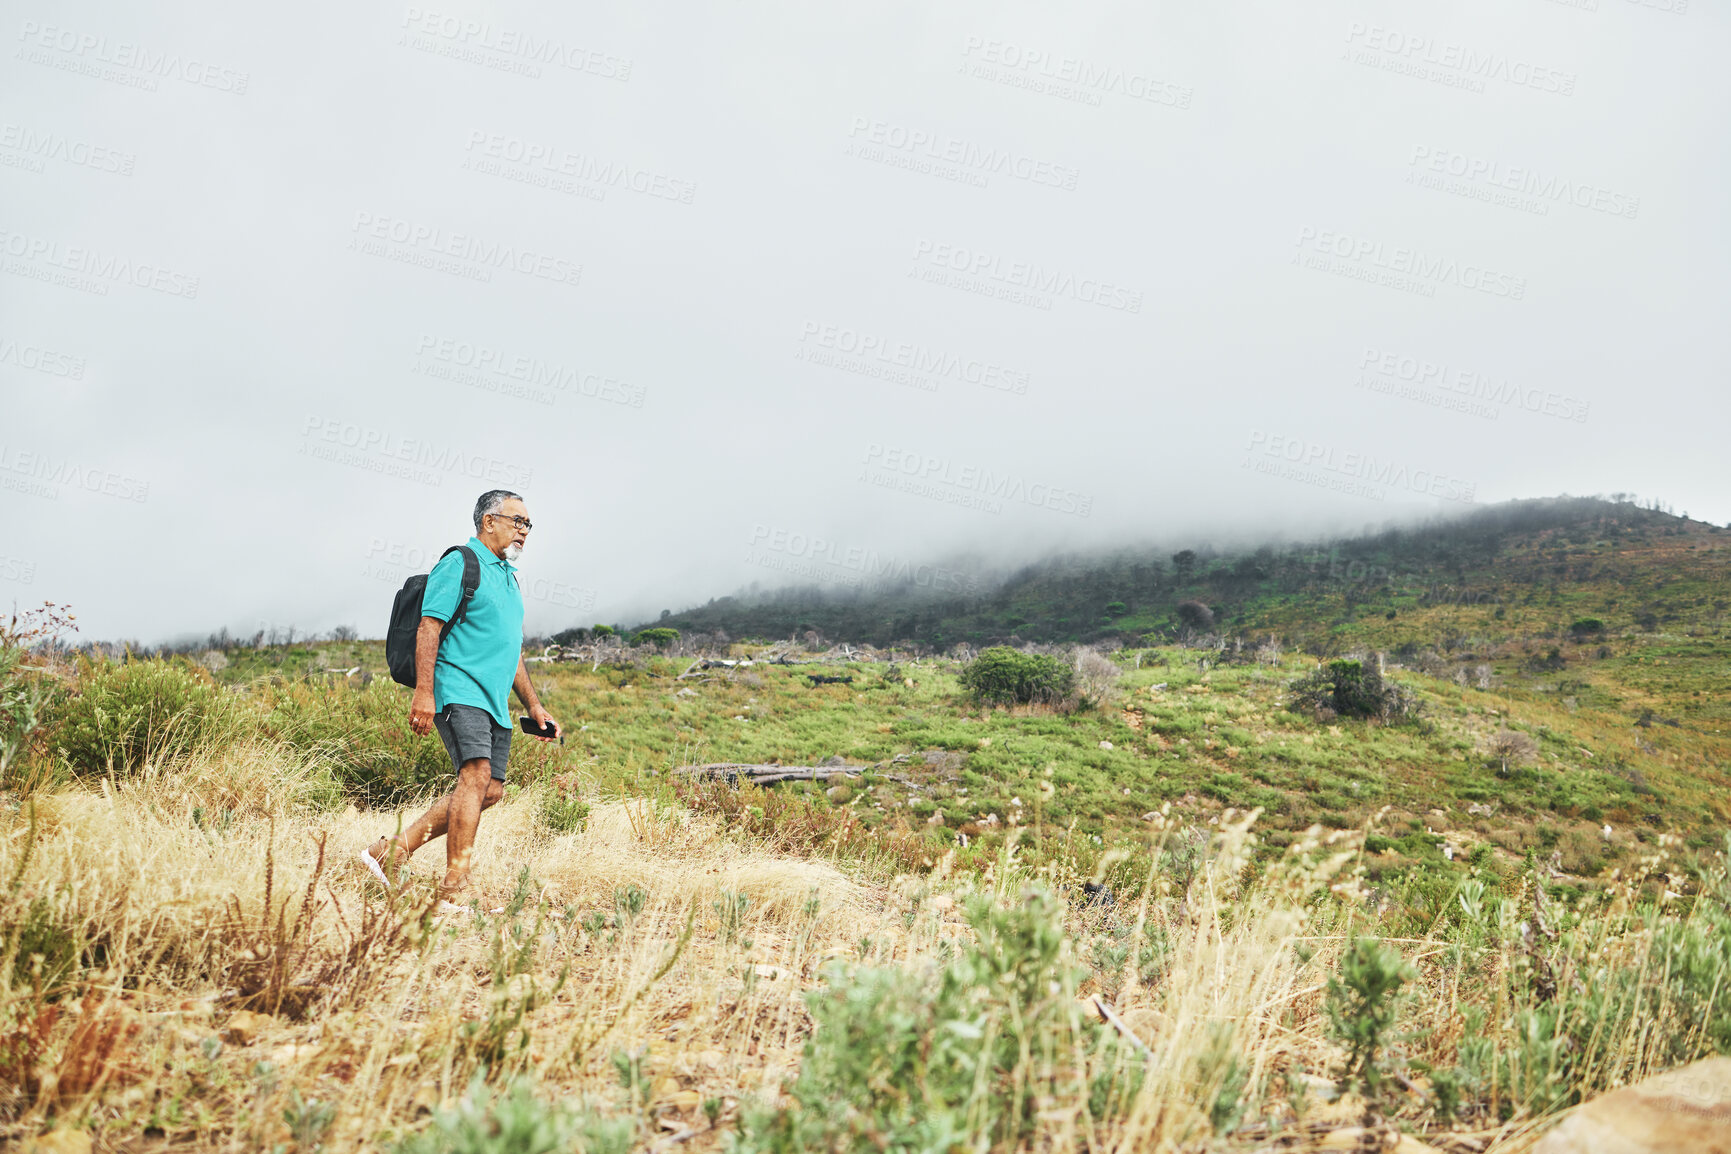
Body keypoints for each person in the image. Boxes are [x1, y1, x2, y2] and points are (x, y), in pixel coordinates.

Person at [360, 490, 561, 909]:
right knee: (475, 774)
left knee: (489, 790)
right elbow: (429, 627)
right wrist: (425, 692)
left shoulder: (508, 577)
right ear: (489, 521)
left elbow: (512, 650)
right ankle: (454, 887)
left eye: (528, 525)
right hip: (457, 688)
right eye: (517, 521)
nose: (524, 531)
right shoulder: (459, 564)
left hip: (493, 701)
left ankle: (392, 850)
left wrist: (533, 705)